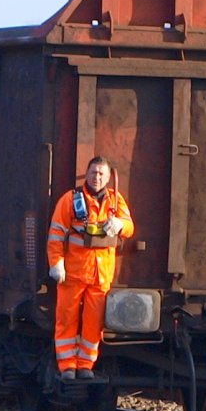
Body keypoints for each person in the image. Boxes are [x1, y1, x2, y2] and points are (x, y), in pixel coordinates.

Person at [46, 156, 134, 381]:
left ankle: (86, 365)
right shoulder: (71, 199)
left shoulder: (115, 201)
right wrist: (56, 263)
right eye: (94, 173)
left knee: (94, 324)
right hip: (73, 274)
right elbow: (56, 234)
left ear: (107, 177)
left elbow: (130, 227)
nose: (97, 178)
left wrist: (120, 225)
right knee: (66, 318)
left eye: (102, 174)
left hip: (101, 276)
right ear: (87, 174)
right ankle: (67, 366)